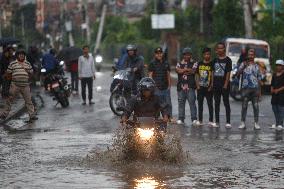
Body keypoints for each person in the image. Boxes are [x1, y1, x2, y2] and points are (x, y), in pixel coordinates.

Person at [0, 49, 38, 122]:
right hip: (15, 85)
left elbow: (31, 73)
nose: (21, 55)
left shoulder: (28, 64)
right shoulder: (12, 64)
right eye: (20, 54)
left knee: (28, 101)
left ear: (24, 56)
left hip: (25, 85)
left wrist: (30, 78)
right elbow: (8, 73)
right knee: (9, 100)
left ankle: (32, 115)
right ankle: (4, 114)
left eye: (22, 54)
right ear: (17, 56)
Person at [237, 49, 262, 130]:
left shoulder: (257, 66)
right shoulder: (243, 64)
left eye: (252, 54)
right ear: (247, 55)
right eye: (249, 54)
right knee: (244, 106)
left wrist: (260, 92)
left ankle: (256, 123)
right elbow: (237, 74)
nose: (251, 56)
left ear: (254, 56)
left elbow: (259, 79)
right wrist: (243, 67)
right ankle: (242, 122)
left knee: (256, 106)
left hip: (255, 89)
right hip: (245, 89)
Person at [175, 47, 198, 125]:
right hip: (181, 87)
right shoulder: (179, 63)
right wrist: (187, 70)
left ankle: (194, 119)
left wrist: (183, 70)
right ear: (183, 55)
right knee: (181, 103)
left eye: (188, 55)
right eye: (185, 55)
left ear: (191, 55)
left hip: (190, 86)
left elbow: (193, 71)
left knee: (192, 102)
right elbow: (178, 70)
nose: (186, 56)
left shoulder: (194, 62)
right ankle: (181, 118)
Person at [148, 47, 172, 119]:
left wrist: (169, 85)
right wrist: (153, 86)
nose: (159, 55)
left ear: (162, 53)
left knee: (168, 104)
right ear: (155, 54)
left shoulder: (166, 62)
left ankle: (169, 118)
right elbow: (150, 75)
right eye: (157, 53)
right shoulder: (152, 63)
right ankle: (156, 118)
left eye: (160, 53)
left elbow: (168, 74)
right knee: (157, 104)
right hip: (156, 87)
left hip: (165, 87)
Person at [213, 42, 232, 128]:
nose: (220, 49)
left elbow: (228, 73)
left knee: (226, 103)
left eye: (221, 48)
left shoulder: (228, 60)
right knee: (216, 103)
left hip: (224, 85)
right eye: (218, 48)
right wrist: (212, 83)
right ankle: (217, 122)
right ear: (217, 50)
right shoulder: (215, 60)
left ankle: (228, 122)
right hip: (216, 85)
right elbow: (212, 72)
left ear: (224, 49)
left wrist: (225, 84)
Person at [196, 47, 214, 126]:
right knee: (200, 104)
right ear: (203, 55)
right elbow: (196, 75)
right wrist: (197, 85)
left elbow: (213, 75)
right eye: (206, 54)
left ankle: (210, 120)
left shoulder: (211, 64)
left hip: (208, 88)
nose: (207, 56)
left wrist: (211, 85)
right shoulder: (199, 64)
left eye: (209, 54)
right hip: (200, 87)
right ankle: (200, 120)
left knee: (210, 104)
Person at [270, 59, 284, 130]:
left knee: (280, 109)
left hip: (281, 95)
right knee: (274, 108)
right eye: (277, 65)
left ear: (282, 66)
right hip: (274, 95)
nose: (278, 67)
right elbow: (272, 83)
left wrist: (278, 90)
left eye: (279, 65)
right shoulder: (274, 74)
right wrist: (272, 89)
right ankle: (277, 123)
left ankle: (281, 124)